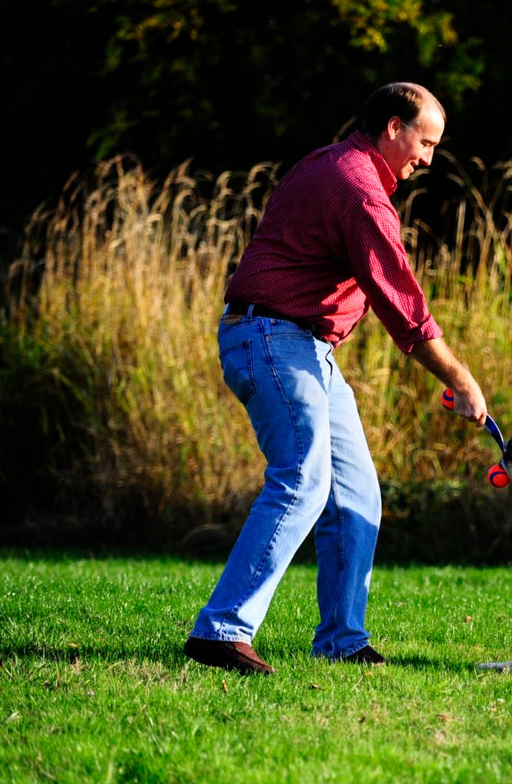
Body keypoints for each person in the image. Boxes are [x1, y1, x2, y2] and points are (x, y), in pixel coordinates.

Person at [184, 82, 487, 675]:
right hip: (274, 338)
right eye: (426, 143)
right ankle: (221, 630)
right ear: (394, 127)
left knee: (356, 495)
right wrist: (461, 378)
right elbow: (401, 303)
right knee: (303, 478)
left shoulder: (331, 163)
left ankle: (342, 639)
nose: (428, 159)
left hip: (304, 346)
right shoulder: (358, 190)